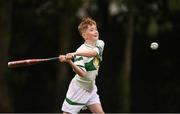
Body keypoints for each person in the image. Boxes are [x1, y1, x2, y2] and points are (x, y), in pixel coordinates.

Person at [59, 17, 105, 114]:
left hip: (91, 87)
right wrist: (69, 61)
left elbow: (93, 53)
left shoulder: (100, 43)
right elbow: (82, 73)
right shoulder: (80, 50)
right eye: (91, 30)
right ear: (85, 35)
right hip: (79, 88)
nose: (96, 32)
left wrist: (74, 54)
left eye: (96, 29)